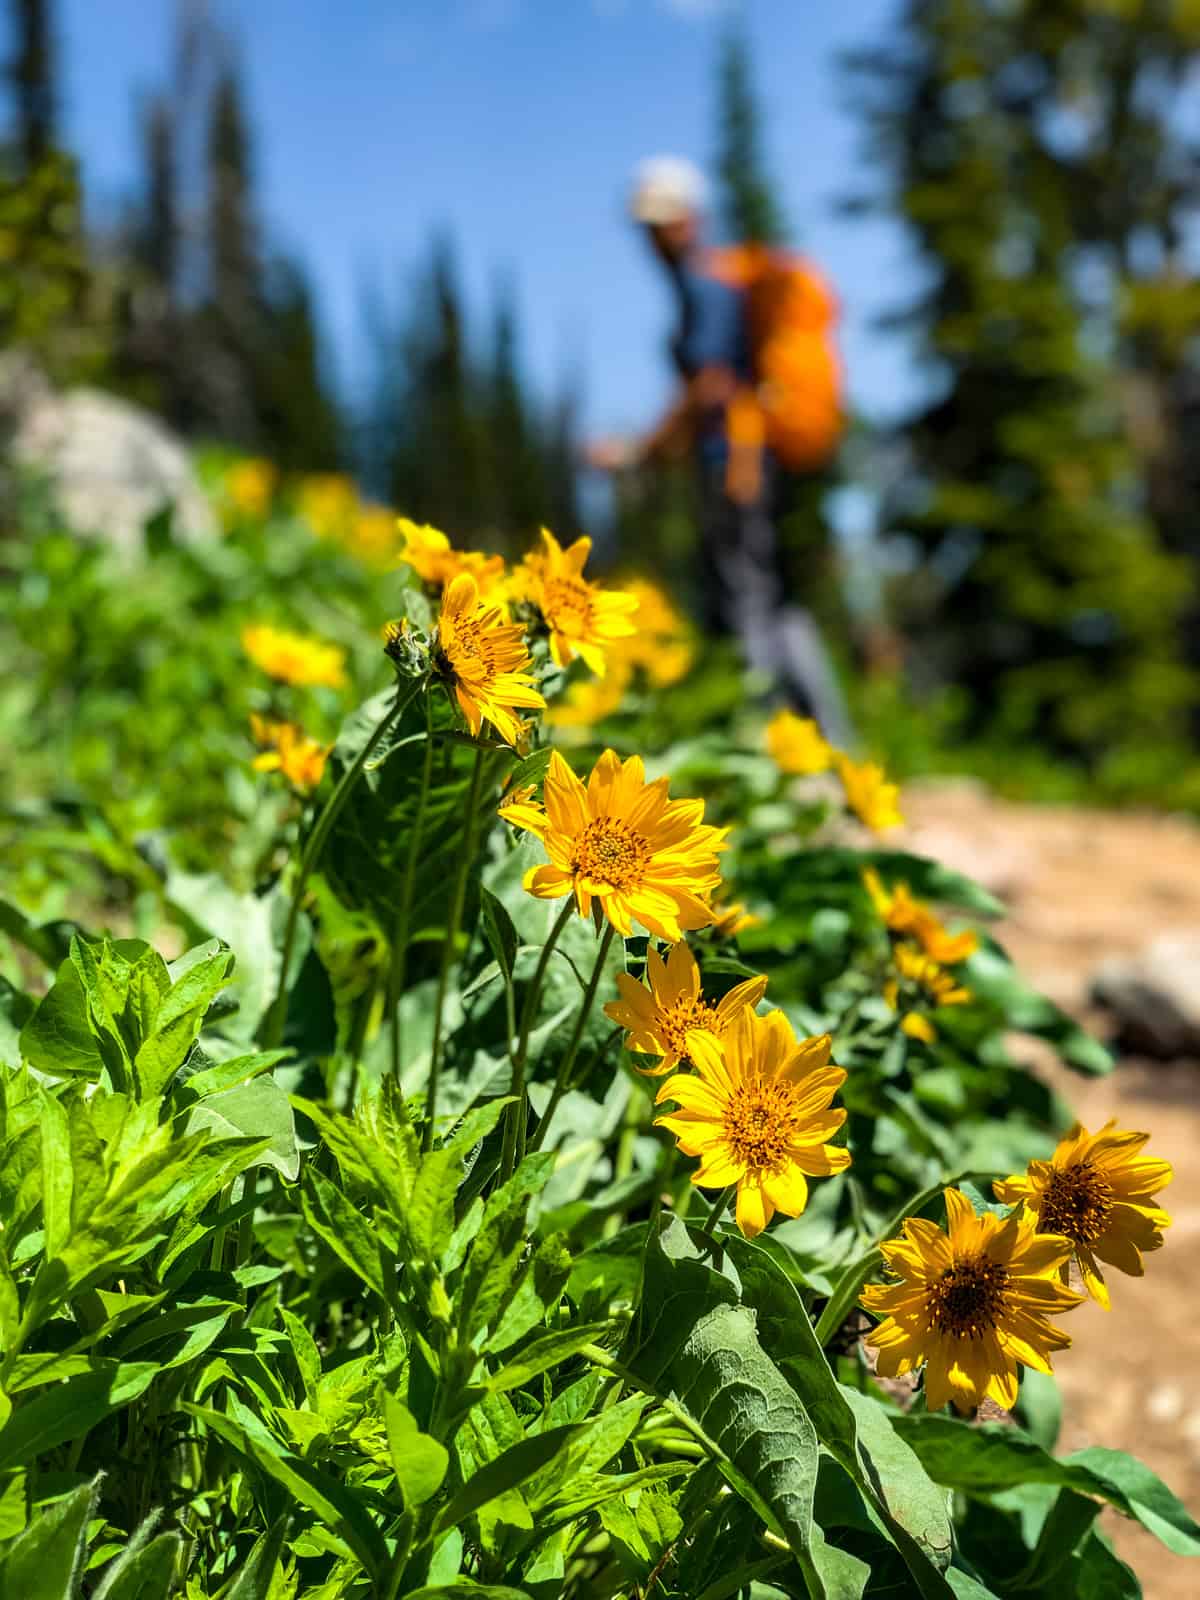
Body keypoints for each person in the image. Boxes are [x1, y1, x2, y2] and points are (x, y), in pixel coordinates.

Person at [587, 155, 854, 744]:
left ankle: (764, 741)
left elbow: (707, 385)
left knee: (740, 598)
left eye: (664, 223)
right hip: (749, 458)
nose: (655, 239)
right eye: (648, 226)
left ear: (692, 220)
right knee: (766, 592)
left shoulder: (705, 287)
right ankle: (828, 740)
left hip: (733, 463)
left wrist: (636, 451)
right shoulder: (716, 284)